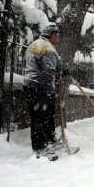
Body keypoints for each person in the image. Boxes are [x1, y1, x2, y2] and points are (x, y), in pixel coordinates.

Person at [23, 22, 62, 161]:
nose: (58, 37)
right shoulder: (48, 48)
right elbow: (48, 72)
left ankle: (47, 142)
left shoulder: (34, 45)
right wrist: (50, 90)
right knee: (43, 118)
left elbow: (33, 66)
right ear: (52, 35)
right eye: (57, 35)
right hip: (40, 88)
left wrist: (61, 72)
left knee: (38, 117)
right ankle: (41, 148)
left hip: (29, 86)